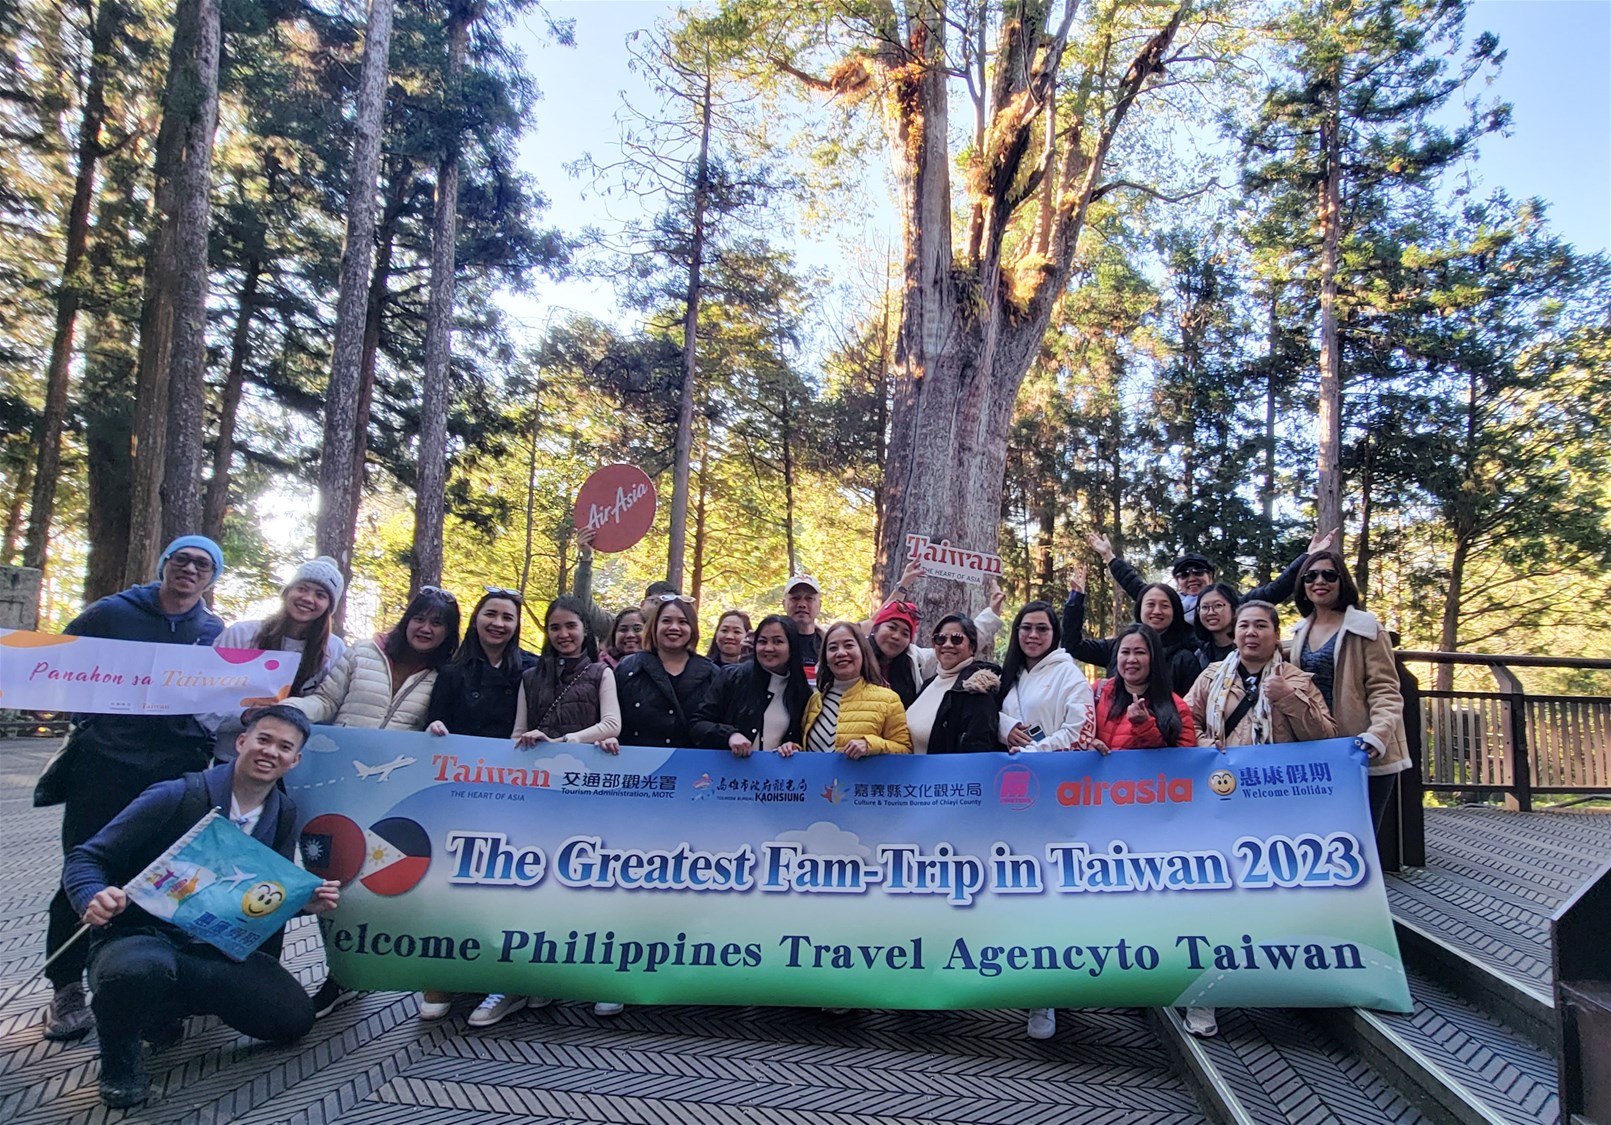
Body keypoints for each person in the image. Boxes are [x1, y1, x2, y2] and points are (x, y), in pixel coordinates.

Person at [62, 705, 341, 1107]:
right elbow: (86, 857)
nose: (270, 752)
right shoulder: (177, 794)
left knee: (293, 1019)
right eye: (263, 739)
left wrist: (304, 904)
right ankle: (119, 1058)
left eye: (284, 747)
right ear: (241, 742)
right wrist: (92, 895)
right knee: (137, 971)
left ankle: (167, 1003)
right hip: (142, 934)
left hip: (211, 947)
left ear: (295, 760)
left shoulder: (283, 813)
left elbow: (260, 896)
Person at [42, 534, 228, 1041]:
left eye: (203, 565)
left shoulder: (213, 630)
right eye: (182, 560)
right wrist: (83, 719)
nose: (190, 570)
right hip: (103, 768)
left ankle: (145, 985)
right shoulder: (110, 613)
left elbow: (221, 695)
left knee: (163, 877)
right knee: (83, 867)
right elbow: (58, 666)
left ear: (213, 578)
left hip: (172, 772)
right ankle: (65, 986)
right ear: (165, 564)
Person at [285, 586, 459, 1019]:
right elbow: (325, 701)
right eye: (421, 618)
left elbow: (438, 730)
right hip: (336, 784)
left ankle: (359, 970)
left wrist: (436, 733)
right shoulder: (362, 654)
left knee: (377, 880)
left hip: (392, 795)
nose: (426, 628)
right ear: (407, 619)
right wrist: (287, 710)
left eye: (438, 623)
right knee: (330, 879)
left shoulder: (445, 675)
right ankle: (335, 974)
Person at [1181, 600, 1337, 1039]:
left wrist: (1287, 701)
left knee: (1269, 897)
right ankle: (1203, 997)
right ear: (1235, 632)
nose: (1251, 633)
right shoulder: (1212, 677)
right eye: (1244, 625)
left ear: (1275, 634)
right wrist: (1206, 744)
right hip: (1216, 803)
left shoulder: (1297, 680)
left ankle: (1285, 984)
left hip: (1274, 808)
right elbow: (1185, 722)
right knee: (1212, 896)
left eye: (1261, 626)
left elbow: (1326, 737)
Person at [469, 596, 622, 1029]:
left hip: (586, 794)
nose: (563, 634)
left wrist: (567, 742)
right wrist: (533, 747)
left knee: (581, 885)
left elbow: (612, 725)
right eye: (555, 627)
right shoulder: (529, 676)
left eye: (571, 626)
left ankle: (573, 976)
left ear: (584, 630)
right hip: (535, 796)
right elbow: (518, 733)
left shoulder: (600, 673)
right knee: (528, 883)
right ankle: (514, 982)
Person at [1289, 551, 1410, 822]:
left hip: (1362, 750)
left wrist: (1377, 734)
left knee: (1361, 838)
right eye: (1311, 576)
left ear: (1342, 581)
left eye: (1329, 575)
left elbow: (1385, 688)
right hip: (1319, 751)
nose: (1319, 581)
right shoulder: (1299, 633)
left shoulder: (1366, 628)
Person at [207, 556, 348, 759]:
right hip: (232, 756)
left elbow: (331, 707)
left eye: (320, 595)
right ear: (287, 592)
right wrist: (244, 716)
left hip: (294, 763)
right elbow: (205, 701)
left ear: (329, 606)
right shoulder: (241, 635)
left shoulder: (334, 650)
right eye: (302, 588)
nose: (308, 599)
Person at [1085, 528, 1335, 625]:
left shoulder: (1233, 604)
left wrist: (1307, 557)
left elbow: (1274, 591)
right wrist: (1109, 557)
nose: (1191, 578)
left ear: (1211, 576)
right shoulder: (1170, 608)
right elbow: (1137, 587)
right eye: (1183, 574)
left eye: (1198, 572)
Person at [1063, 568, 1205, 696]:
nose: (1156, 611)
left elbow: (1192, 708)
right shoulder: (1118, 647)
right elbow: (1073, 646)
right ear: (1140, 609)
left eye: (1164, 606)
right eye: (1150, 604)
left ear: (1175, 611)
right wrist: (1075, 600)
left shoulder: (1184, 658)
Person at [691, 614, 811, 755]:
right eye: (762, 641)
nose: (768, 648)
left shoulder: (801, 692)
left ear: (792, 647)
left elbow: (802, 739)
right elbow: (697, 725)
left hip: (776, 775)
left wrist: (793, 746)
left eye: (778, 642)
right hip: (729, 773)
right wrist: (730, 735)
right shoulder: (731, 677)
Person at [425, 587, 537, 739]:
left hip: (513, 760)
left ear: (517, 625)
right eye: (490, 614)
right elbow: (436, 719)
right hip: (461, 759)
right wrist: (435, 727)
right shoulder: (452, 670)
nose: (498, 623)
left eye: (507, 618)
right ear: (475, 619)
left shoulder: (532, 669)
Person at [609, 594, 717, 750]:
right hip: (638, 767)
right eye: (666, 621)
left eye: (683, 622)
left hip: (694, 769)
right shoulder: (628, 668)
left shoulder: (712, 673)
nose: (674, 627)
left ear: (692, 628)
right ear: (655, 626)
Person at [996, 601, 1095, 755]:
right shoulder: (1007, 676)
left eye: (1042, 629)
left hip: (1056, 772)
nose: (1033, 635)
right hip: (1010, 772)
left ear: (1054, 633)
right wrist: (1004, 727)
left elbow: (1078, 732)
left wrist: (1033, 751)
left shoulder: (1070, 675)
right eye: (1026, 628)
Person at [802, 622, 912, 756]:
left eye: (849, 645)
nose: (841, 653)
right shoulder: (815, 701)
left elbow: (905, 749)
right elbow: (807, 751)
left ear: (863, 652)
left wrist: (870, 745)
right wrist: (793, 749)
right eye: (832, 648)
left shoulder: (888, 700)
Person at [1088, 624, 1197, 752]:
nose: (1131, 659)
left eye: (1139, 652)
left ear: (1154, 658)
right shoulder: (1098, 692)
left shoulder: (1178, 708)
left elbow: (1184, 763)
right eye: (1125, 652)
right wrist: (1088, 744)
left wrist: (1144, 726)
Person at [907, 614, 1001, 755]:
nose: (948, 644)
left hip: (946, 775)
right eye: (941, 639)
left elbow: (978, 753)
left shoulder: (977, 689)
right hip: (912, 775)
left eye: (957, 638)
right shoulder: (928, 684)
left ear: (972, 646)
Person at [783, 574, 830, 679]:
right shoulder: (771, 644)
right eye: (795, 598)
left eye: (809, 598)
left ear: (820, 605)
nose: (802, 604)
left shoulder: (832, 645)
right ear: (784, 604)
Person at [1191, 582, 1240, 671]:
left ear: (1233, 608)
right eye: (1205, 607)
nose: (1211, 612)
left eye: (1218, 605)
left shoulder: (1245, 649)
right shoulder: (1200, 655)